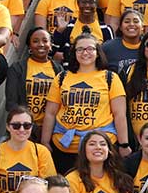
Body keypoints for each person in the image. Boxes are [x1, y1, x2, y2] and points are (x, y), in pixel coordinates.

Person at [41, 33, 130, 172]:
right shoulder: (62, 77)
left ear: (98, 52)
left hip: (99, 147)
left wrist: (124, 144)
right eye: (80, 49)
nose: (85, 53)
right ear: (74, 52)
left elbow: (119, 115)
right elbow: (50, 113)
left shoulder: (110, 78)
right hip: (65, 146)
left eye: (90, 49)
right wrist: (45, 142)